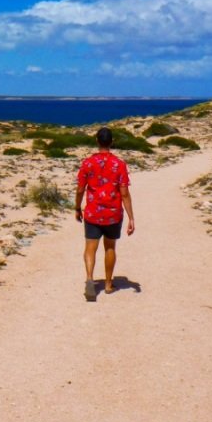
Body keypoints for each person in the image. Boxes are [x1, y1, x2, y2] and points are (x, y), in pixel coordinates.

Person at [75, 127, 135, 301]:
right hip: (113, 214)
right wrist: (131, 217)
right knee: (110, 247)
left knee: (90, 248)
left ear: (97, 141)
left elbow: (80, 189)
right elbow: (124, 193)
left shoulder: (87, 163)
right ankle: (108, 284)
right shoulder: (120, 164)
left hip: (93, 212)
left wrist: (77, 208)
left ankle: (89, 280)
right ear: (112, 142)